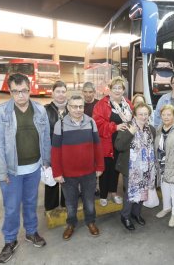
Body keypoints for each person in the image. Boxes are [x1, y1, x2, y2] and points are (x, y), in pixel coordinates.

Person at [0, 73, 50, 263]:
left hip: (33, 168)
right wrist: (1, 172)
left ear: (30, 89)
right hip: (12, 171)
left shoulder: (40, 110)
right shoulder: (1, 112)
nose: (21, 96)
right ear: (10, 91)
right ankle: (10, 240)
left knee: (31, 203)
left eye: (24, 91)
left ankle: (31, 232)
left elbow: (46, 137)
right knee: (12, 207)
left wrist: (46, 162)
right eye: (15, 92)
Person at [51, 95, 104, 240]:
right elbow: (55, 151)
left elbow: (98, 147)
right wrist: (57, 172)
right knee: (70, 202)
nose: (78, 109)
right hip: (68, 174)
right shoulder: (60, 125)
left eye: (80, 106)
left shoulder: (91, 123)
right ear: (68, 107)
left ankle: (90, 222)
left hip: (89, 172)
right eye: (74, 106)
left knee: (89, 200)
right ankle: (71, 224)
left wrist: (99, 166)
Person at [115, 103, 156, 231]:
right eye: (140, 114)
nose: (143, 117)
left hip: (145, 167)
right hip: (131, 168)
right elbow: (119, 146)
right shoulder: (127, 127)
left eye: (146, 114)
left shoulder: (151, 129)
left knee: (142, 191)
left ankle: (136, 213)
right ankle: (125, 216)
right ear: (134, 115)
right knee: (130, 193)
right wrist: (130, 133)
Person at [93, 76, 133, 206]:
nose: (117, 90)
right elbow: (97, 124)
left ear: (123, 90)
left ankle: (114, 193)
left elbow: (133, 120)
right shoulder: (101, 104)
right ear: (109, 90)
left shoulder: (128, 104)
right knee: (105, 170)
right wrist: (115, 127)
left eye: (120, 88)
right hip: (107, 142)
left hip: (122, 144)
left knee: (116, 169)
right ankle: (103, 195)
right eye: (114, 88)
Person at [44, 81, 68, 213]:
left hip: (68, 152)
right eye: (58, 91)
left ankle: (66, 204)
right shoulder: (45, 110)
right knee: (52, 181)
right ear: (52, 93)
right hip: (52, 152)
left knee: (67, 180)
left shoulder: (71, 109)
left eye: (63, 91)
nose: (61, 94)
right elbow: (42, 135)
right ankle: (51, 208)